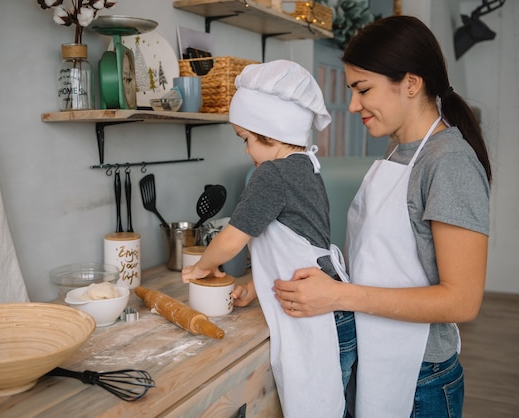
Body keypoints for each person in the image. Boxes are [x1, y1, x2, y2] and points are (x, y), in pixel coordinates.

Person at [273, 15, 491, 417]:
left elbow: (462, 301)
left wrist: (340, 295)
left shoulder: (449, 163)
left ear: (410, 82)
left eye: (363, 89)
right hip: (377, 359)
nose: (353, 104)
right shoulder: (397, 152)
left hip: (421, 380)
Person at [181, 60, 356, 417]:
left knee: (315, 406)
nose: (246, 150)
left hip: (318, 319)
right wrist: (256, 286)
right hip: (337, 312)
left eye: (246, 139)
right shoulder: (306, 166)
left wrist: (201, 266)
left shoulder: (271, 175)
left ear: (270, 135)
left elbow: (232, 239)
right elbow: (298, 248)